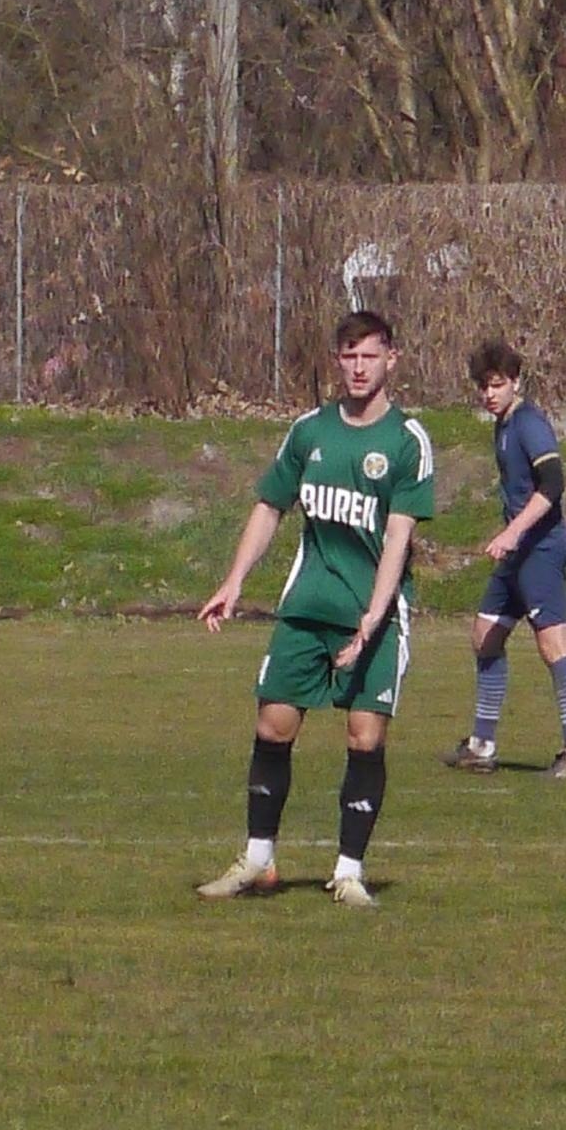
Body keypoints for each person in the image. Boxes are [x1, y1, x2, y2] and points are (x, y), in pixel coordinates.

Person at [196, 311, 435, 908]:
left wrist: (373, 619)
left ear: (391, 360)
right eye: (348, 356)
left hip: (372, 616)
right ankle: (258, 861)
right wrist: (233, 581)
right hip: (307, 608)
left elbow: (398, 539)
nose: (358, 368)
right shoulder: (309, 432)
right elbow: (269, 507)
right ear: (337, 361)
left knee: (363, 736)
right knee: (272, 724)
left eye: (369, 356)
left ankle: (349, 872)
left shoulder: (407, 442)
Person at [443, 340, 566, 779]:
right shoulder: (503, 423)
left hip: (540, 550)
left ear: (516, 383)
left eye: (497, 385)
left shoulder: (529, 425)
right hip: (518, 552)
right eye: (483, 386)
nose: (489, 394)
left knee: (553, 644)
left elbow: (553, 484)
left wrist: (512, 532)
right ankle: (482, 745)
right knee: (486, 634)